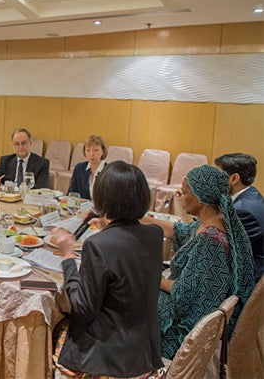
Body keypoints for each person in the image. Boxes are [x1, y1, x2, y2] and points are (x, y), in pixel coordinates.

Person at [50, 161, 164, 378]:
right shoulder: (155, 235)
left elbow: (82, 308)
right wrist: (108, 225)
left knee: (51, 325)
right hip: (143, 348)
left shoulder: (99, 245)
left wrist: (67, 256)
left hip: (108, 355)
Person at [142, 165, 255, 359]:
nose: (180, 196)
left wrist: (151, 276)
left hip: (186, 325)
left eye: (185, 192)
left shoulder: (211, 241)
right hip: (195, 305)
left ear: (201, 198)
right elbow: (176, 230)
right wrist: (138, 219)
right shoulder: (213, 220)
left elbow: (183, 295)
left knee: (132, 297)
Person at [215, 153, 263, 281]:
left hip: (246, 280)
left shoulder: (243, 211)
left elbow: (216, 247)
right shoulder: (251, 194)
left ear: (234, 178)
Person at [67, 135, 108, 199]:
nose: (92, 154)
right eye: (88, 150)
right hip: (82, 207)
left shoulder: (109, 171)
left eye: (96, 150)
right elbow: (72, 193)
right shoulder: (79, 168)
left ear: (103, 151)